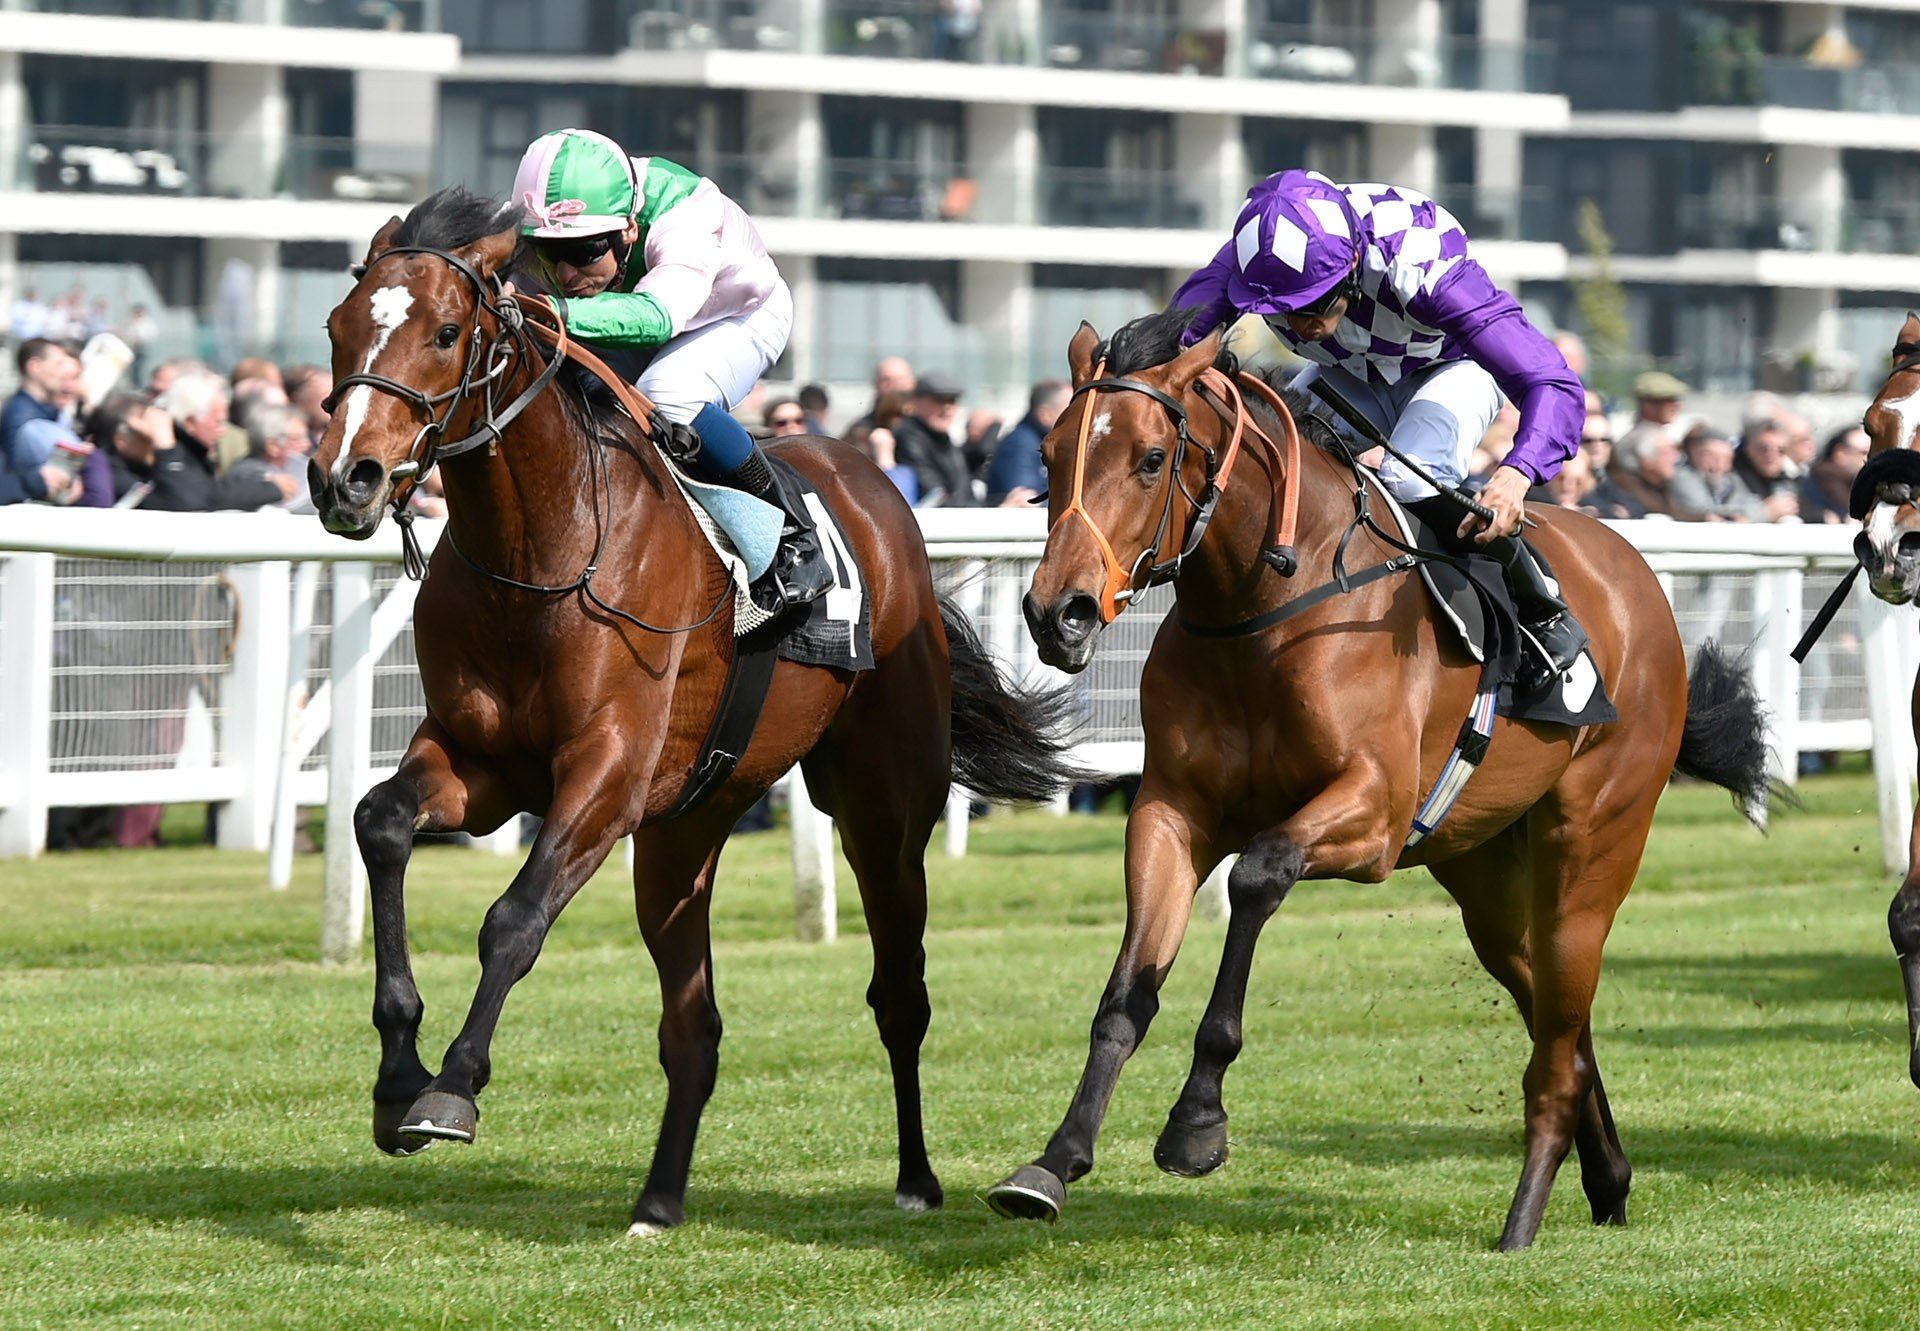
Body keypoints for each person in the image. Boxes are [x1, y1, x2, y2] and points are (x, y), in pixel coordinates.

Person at [1172, 169, 1587, 679]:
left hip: (1449, 366)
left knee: (1407, 476)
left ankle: (1540, 605)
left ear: (1350, 263)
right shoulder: (1249, 260)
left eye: (1315, 303)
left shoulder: (1422, 264)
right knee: (1269, 459)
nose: (1302, 325)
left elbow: (1552, 380)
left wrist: (1517, 473)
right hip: (1346, 372)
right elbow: (1166, 354)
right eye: (1283, 310)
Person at [510, 126, 831, 611]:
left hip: (738, 314)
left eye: (583, 253)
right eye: (548, 254)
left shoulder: (684, 216)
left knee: (667, 390)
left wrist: (551, 309)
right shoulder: (558, 225)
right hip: (638, 313)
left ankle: (791, 530)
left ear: (628, 232)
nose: (567, 275)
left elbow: (658, 318)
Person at [887, 371, 976, 506]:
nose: (947, 408)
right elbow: (932, 493)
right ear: (916, 401)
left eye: (952, 400)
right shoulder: (908, 436)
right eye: (939, 400)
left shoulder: (944, 438)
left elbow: (964, 489)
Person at [984, 378, 1067, 504]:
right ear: (1046, 415)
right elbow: (1026, 502)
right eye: (1069, 410)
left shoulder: (1047, 442)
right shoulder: (1019, 445)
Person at [1669, 428, 1765, 522]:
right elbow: (1699, 508)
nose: (1719, 464)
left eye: (1725, 458)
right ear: (1694, 454)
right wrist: (1740, 513)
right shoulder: (1684, 477)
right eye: (1711, 456)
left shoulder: (1733, 481)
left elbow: (1751, 503)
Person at [1799, 425, 1867, 524]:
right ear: (1841, 453)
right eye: (1864, 452)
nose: (1870, 458)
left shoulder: (1863, 485)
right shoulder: (1816, 482)